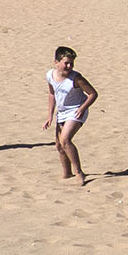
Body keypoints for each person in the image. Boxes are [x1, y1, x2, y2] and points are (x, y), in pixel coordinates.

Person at [43, 45, 98, 184]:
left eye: (71, 63)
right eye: (65, 62)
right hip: (62, 112)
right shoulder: (50, 75)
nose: (69, 66)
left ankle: (79, 173)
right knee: (58, 145)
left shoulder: (76, 78)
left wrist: (83, 108)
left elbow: (93, 94)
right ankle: (67, 173)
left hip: (76, 110)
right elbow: (51, 94)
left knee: (65, 140)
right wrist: (49, 115)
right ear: (56, 62)